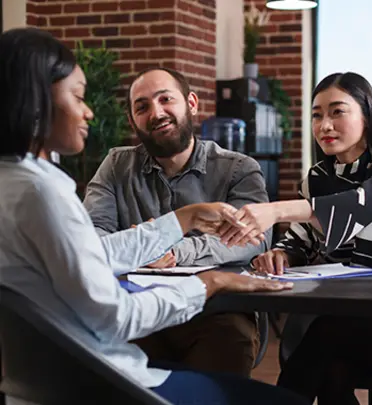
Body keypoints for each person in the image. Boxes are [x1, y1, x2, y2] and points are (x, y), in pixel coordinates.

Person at [0, 27, 305, 405]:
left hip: (45, 381)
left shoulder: (13, 184)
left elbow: (90, 254)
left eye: (166, 100)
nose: (89, 110)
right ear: (36, 102)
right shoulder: (43, 191)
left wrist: (181, 221)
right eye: (78, 96)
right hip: (101, 381)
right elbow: (114, 314)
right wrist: (209, 282)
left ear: (191, 103)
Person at [214, 72, 372, 404]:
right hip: (346, 318)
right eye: (317, 115)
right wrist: (281, 255)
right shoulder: (317, 178)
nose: (325, 125)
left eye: (337, 112)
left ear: (367, 116)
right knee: (330, 367)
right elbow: (298, 241)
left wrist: (275, 210)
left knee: (324, 340)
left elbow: (365, 201)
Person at [82, 67, 270, 376]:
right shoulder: (116, 166)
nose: (156, 113)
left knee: (227, 340)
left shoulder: (238, 168)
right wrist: (143, 247)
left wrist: (171, 252)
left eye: (165, 99)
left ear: (192, 103)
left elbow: (254, 240)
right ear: (132, 120)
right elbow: (91, 240)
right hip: (138, 310)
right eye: (142, 107)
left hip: (215, 312)